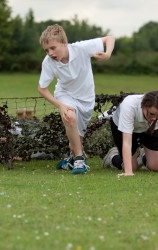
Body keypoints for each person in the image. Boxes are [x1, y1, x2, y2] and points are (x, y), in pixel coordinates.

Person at [38, 24, 115, 174]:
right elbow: (42, 88)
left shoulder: (81, 48)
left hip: (86, 99)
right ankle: (80, 160)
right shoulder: (48, 62)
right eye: (47, 50)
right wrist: (60, 105)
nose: (50, 53)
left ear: (64, 43)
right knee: (70, 117)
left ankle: (72, 160)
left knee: (74, 144)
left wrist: (107, 54)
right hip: (65, 94)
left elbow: (109, 38)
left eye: (53, 48)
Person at [103, 90, 158, 176]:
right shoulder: (129, 105)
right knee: (132, 167)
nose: (155, 119)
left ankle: (143, 156)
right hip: (124, 129)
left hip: (148, 129)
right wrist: (128, 172)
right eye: (151, 114)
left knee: (155, 166)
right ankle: (112, 156)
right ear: (143, 106)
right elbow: (127, 142)